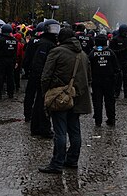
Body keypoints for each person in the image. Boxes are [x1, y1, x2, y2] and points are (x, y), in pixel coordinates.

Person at [38, 28, 92, 173]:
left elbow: (46, 75)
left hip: (60, 97)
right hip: (78, 97)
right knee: (75, 131)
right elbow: (88, 77)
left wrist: (47, 94)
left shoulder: (56, 52)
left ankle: (56, 164)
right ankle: (72, 160)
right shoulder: (83, 54)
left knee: (60, 131)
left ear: (60, 39)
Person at [30, 20, 60, 137]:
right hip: (43, 78)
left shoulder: (47, 42)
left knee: (39, 103)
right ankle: (43, 128)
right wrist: (44, 79)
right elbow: (39, 63)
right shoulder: (45, 44)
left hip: (42, 77)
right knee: (44, 105)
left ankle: (37, 127)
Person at [89, 33, 120, 126]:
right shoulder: (110, 52)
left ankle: (98, 121)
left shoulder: (92, 53)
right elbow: (116, 67)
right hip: (109, 80)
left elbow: (88, 66)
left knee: (97, 101)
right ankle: (111, 119)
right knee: (110, 100)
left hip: (96, 80)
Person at [0, 24, 18, 100]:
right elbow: (15, 52)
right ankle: (11, 93)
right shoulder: (14, 41)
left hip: (2, 61)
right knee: (10, 77)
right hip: (11, 61)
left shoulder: (1, 40)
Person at [109, 23, 127, 99]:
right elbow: (112, 51)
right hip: (118, 61)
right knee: (118, 77)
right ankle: (117, 92)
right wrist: (124, 50)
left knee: (126, 77)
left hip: (125, 60)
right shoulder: (115, 39)